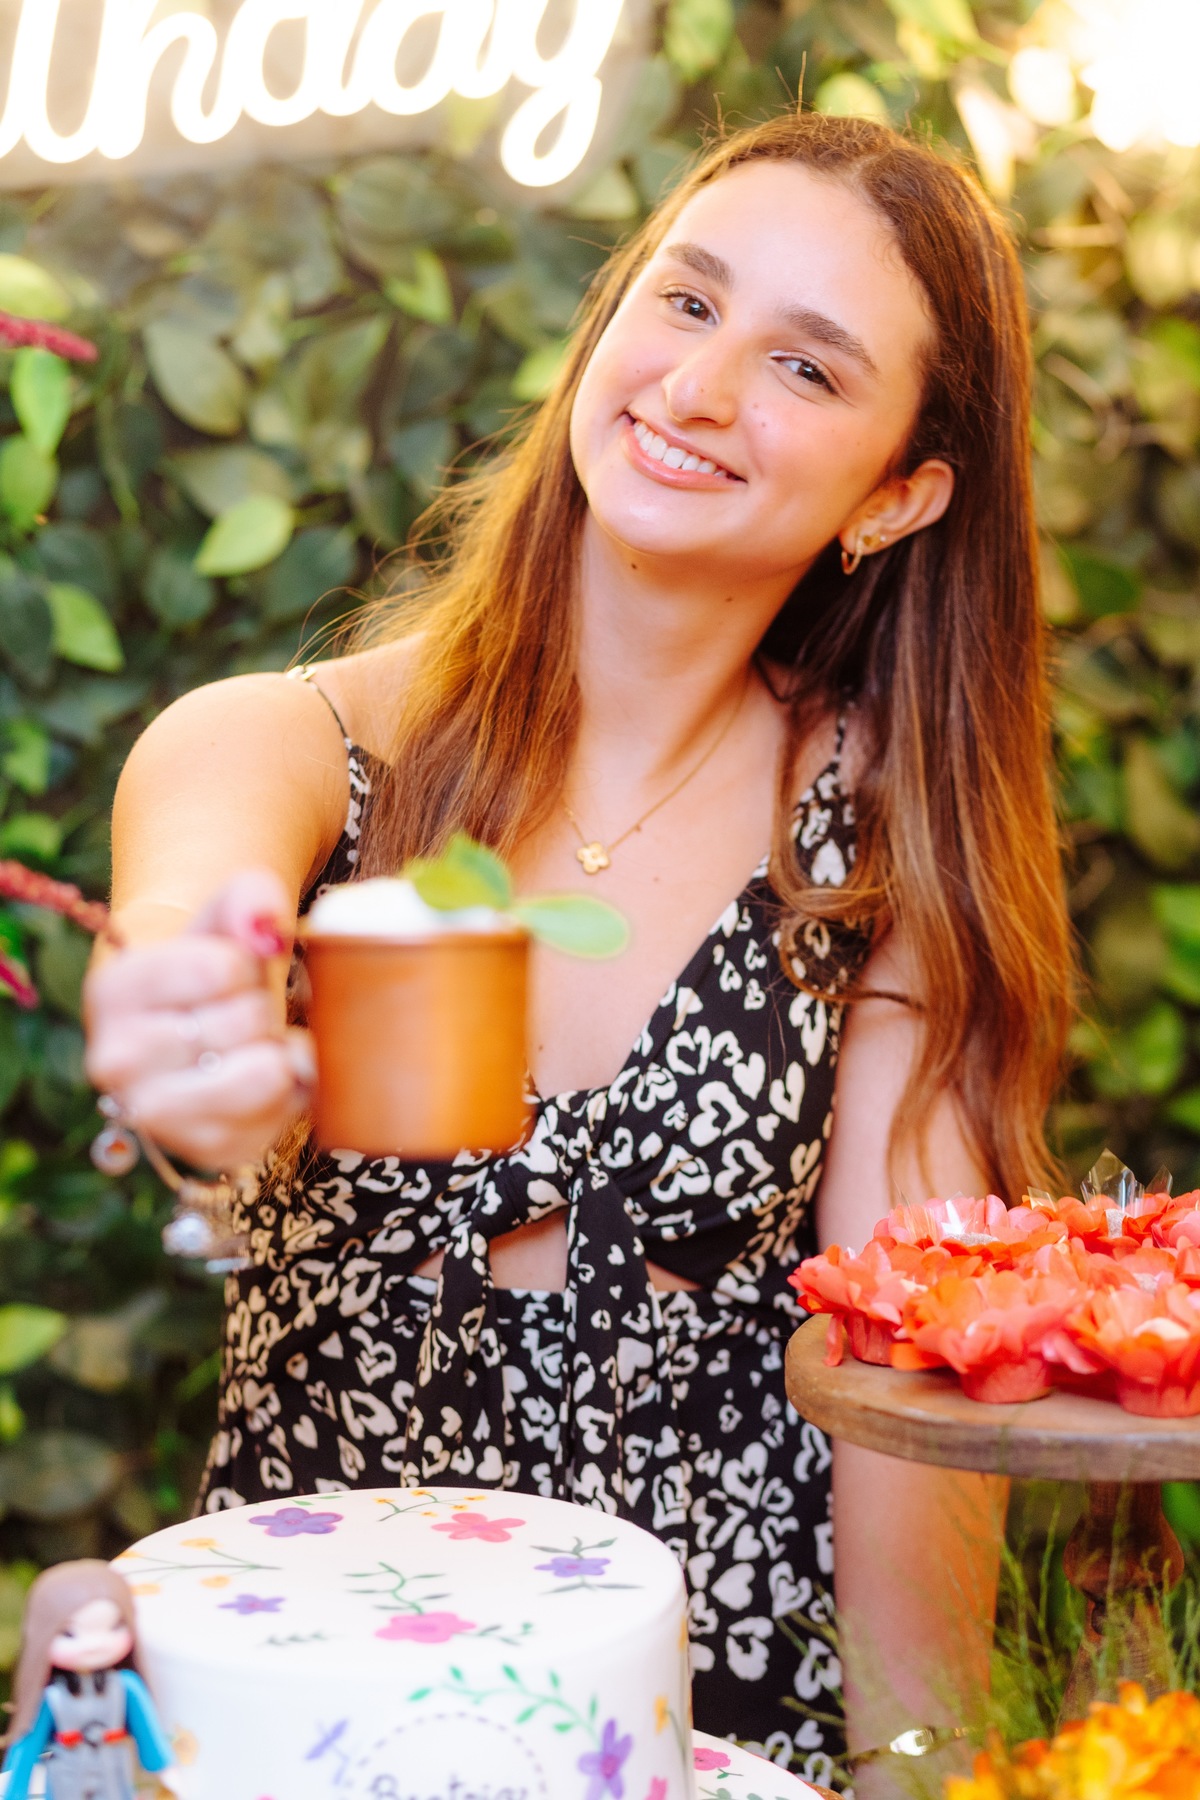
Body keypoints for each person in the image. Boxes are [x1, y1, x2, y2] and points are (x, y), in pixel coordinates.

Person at [83, 112, 1072, 1792]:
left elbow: (912, 1422)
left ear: (898, 494)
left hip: (712, 1730)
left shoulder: (884, 846)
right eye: (684, 301)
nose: (699, 386)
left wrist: (926, 1772)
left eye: (805, 368)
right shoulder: (280, 747)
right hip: (322, 1725)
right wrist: (194, 1026)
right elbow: (191, 936)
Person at [0, 1561, 174, 1800]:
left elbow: (148, 1735)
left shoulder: (126, 1686)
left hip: (114, 1771)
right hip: (67, 1775)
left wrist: (166, 1770)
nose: (95, 1644)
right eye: (69, 1633)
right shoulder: (52, 1698)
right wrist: (15, 1791)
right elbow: (29, 1745)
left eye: (114, 1627)